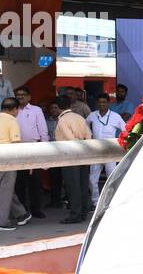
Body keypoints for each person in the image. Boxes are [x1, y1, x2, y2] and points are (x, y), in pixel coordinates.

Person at [0, 97, 31, 232]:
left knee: (4, 188)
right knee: (5, 190)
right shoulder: (13, 122)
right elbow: (16, 143)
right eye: (17, 110)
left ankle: (21, 214)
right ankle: (0, 222)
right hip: (7, 160)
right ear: (15, 109)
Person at [53, 94, 93, 223]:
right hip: (84, 154)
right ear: (70, 105)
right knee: (83, 184)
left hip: (70, 156)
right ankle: (83, 213)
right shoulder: (80, 117)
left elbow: (70, 139)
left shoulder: (62, 120)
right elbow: (89, 135)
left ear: (58, 107)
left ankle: (75, 214)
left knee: (73, 186)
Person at [13, 86, 49, 218]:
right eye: (18, 94)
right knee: (19, 182)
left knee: (34, 181)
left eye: (23, 94)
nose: (20, 97)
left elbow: (43, 130)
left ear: (29, 97)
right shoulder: (13, 110)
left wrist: (45, 149)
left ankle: (36, 209)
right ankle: (23, 210)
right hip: (17, 150)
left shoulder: (36, 110)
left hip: (34, 149)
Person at [85, 93, 124, 200]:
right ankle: (95, 202)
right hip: (96, 151)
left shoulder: (116, 116)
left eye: (104, 102)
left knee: (111, 178)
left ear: (108, 103)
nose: (102, 104)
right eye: (100, 102)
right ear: (97, 103)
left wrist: (119, 144)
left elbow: (125, 131)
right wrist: (90, 137)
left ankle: (112, 200)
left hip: (110, 151)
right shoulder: (92, 115)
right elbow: (85, 127)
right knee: (92, 179)